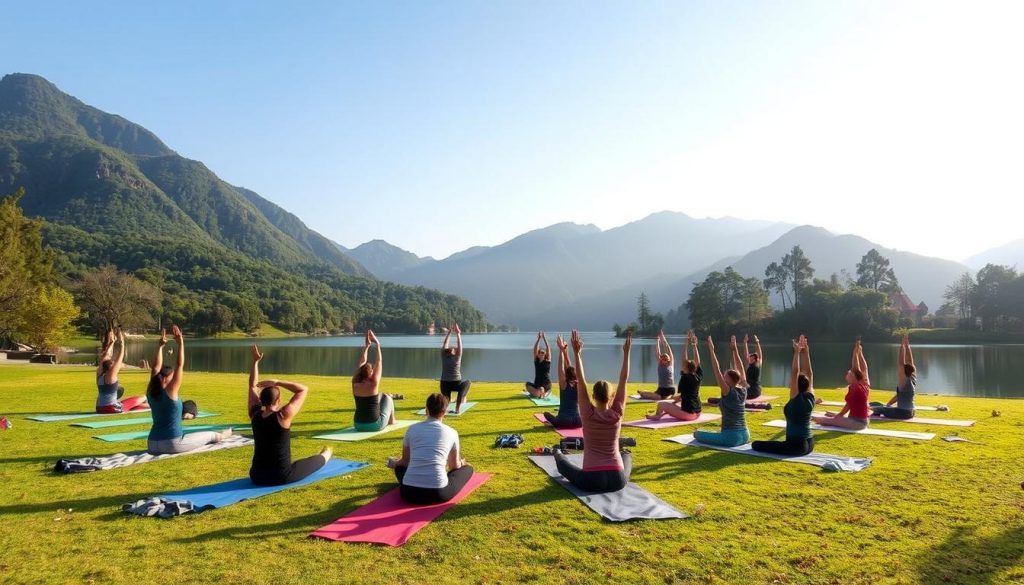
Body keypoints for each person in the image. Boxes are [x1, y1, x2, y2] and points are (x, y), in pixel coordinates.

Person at [551, 330, 632, 493]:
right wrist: (626, 353)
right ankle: (626, 454)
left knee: (562, 465)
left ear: (593, 396)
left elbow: (580, 380)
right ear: (612, 397)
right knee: (627, 456)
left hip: (591, 480)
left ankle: (557, 453)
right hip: (618, 479)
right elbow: (623, 379)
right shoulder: (617, 413)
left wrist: (576, 353)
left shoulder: (587, 413)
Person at [247, 344, 331, 485]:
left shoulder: (254, 414)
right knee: (317, 459)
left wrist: (255, 362)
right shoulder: (283, 416)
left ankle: (323, 455)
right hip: (281, 476)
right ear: (278, 400)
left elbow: (252, 386)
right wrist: (278, 382)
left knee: (298, 464)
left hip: (256, 475)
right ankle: (326, 454)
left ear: (261, 400)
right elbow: (303, 390)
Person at [146, 326, 232, 455]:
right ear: (165, 379)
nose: (173, 379)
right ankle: (225, 435)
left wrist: (160, 346)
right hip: (172, 444)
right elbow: (179, 365)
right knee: (210, 435)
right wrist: (180, 343)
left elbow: (155, 368)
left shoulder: (151, 392)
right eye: (171, 377)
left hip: (152, 443)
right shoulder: (171, 392)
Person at [388, 393, 474, 504]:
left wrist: (395, 463)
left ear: (426, 410)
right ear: (444, 412)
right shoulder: (452, 432)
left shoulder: (412, 429)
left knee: (399, 468)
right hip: (438, 494)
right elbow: (454, 466)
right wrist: (462, 463)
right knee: (468, 469)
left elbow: (405, 462)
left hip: (408, 493)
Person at [752, 335, 815, 456]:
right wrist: (806, 352)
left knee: (756, 445)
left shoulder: (796, 399)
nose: (790, 382)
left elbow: (795, 372)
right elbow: (810, 374)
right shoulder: (810, 397)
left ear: (796, 384)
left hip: (796, 446)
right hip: (810, 443)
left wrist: (797, 353)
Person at [693, 336, 750, 447]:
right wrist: (734, 350)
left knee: (697, 434)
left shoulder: (728, 391)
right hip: (745, 434)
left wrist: (711, 350)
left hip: (731, 438)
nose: (723, 379)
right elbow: (741, 368)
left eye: (726, 377)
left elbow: (716, 370)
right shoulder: (743, 389)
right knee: (709, 432)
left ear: (732, 380)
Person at [814, 337, 870, 430]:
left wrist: (838, 416)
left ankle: (806, 417)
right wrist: (856, 352)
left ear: (853, 377)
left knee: (824, 420)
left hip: (858, 423)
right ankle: (835, 418)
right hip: (859, 420)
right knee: (832, 418)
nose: (847, 374)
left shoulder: (855, 387)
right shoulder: (862, 385)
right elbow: (860, 368)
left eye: (849, 373)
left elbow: (848, 406)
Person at [646, 330, 702, 422]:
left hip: (689, 414)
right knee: (672, 404)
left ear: (686, 369)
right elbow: (697, 362)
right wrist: (694, 345)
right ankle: (663, 413)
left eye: (683, 366)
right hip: (698, 413)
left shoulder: (685, 378)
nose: (682, 366)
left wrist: (686, 341)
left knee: (661, 404)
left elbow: (684, 358)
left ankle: (657, 416)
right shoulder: (698, 376)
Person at [352, 330, 396, 432]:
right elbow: (379, 361)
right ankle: (392, 420)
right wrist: (378, 344)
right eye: (372, 370)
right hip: (374, 425)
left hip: (358, 424)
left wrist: (367, 346)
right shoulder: (373, 383)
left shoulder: (355, 383)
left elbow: (362, 363)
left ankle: (391, 419)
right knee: (388, 398)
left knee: (380, 396)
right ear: (370, 373)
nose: (373, 371)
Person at [95, 328, 148, 414]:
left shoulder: (99, 376)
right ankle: (151, 402)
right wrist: (122, 343)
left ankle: (148, 404)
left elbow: (104, 357)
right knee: (141, 398)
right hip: (110, 408)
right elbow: (119, 358)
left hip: (99, 408)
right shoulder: (111, 375)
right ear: (110, 367)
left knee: (131, 404)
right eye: (112, 364)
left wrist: (112, 343)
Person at [871, 334, 916, 420]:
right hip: (911, 412)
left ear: (903, 372)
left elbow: (901, 363)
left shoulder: (904, 380)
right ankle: (883, 409)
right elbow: (910, 361)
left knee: (876, 408)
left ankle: (876, 413)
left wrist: (902, 346)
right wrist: (907, 345)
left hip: (903, 413)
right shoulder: (913, 377)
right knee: (882, 406)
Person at [542, 334, 582, 429]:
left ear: (566, 375)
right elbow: (569, 367)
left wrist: (561, 350)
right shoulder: (578, 384)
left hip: (564, 421)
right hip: (578, 421)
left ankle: (554, 423)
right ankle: (555, 422)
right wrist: (565, 351)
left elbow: (561, 368)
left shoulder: (564, 384)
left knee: (546, 414)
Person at [439, 323, 471, 413]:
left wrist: (449, 333)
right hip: (456, 383)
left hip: (444, 384)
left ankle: (453, 403)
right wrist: (458, 333)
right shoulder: (457, 358)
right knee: (467, 383)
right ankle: (458, 408)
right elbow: (460, 346)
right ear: (453, 352)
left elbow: (445, 344)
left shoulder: (443, 357)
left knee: (446, 402)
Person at [636, 331, 676, 401]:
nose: (665, 360)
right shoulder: (660, 364)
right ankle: (643, 393)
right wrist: (658, 341)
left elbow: (669, 350)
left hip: (670, 389)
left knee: (659, 398)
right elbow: (657, 352)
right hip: (661, 389)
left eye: (667, 359)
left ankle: (646, 393)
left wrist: (664, 340)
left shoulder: (671, 364)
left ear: (669, 359)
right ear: (661, 359)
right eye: (663, 359)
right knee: (657, 397)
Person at [525, 331, 553, 398]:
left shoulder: (547, 362)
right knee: (527, 385)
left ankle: (542, 393)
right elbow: (535, 349)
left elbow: (548, 348)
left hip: (546, 384)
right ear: (538, 354)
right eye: (540, 352)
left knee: (541, 389)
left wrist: (544, 338)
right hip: (537, 384)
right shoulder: (536, 361)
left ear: (545, 354)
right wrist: (538, 339)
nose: (542, 353)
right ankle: (541, 394)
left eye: (543, 352)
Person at [743, 334, 764, 400]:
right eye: (750, 358)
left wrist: (757, 343)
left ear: (755, 360)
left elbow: (760, 355)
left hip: (753, 391)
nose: (750, 359)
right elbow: (746, 355)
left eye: (752, 359)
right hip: (755, 391)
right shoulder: (751, 365)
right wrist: (745, 343)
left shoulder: (757, 365)